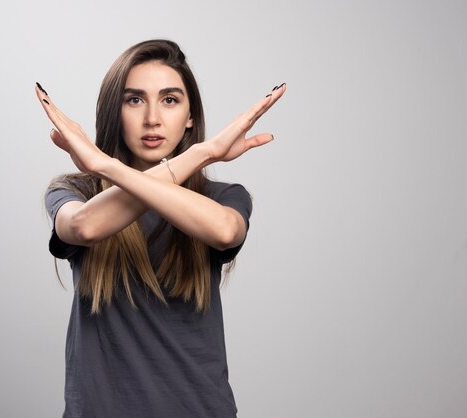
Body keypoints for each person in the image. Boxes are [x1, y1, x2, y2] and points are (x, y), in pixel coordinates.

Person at [37, 39, 286, 418]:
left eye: (169, 100)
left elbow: (224, 231)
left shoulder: (222, 196)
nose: (152, 117)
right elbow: (85, 227)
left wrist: (106, 164)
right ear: (114, 112)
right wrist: (200, 152)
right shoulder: (76, 191)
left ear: (190, 115)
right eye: (134, 99)